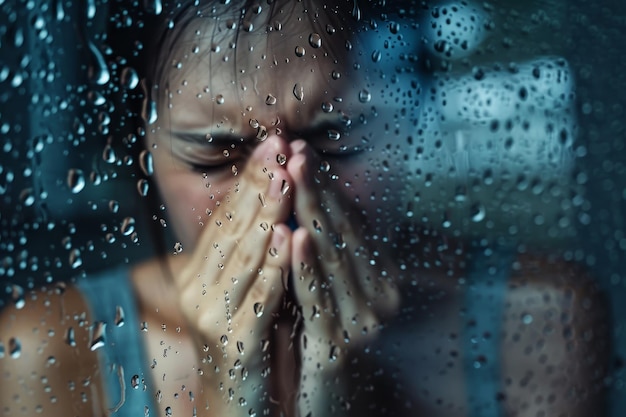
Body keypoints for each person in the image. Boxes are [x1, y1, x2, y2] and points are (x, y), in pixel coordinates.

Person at [0, 1, 610, 416]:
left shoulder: (532, 323)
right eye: (214, 153)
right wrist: (231, 394)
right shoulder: (53, 352)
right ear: (144, 150)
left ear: (402, 127)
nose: (283, 189)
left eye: (339, 138)